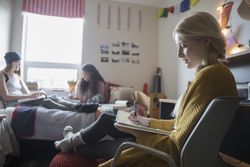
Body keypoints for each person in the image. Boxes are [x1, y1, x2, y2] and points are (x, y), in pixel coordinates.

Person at [54, 11, 238, 166]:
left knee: (124, 139)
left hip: (171, 156)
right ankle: (73, 144)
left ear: (205, 41)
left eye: (184, 45)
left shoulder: (211, 76)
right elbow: (179, 127)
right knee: (112, 121)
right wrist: (146, 122)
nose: (179, 53)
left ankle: (73, 144)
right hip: (172, 150)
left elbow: (178, 145)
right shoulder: (214, 73)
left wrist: (138, 131)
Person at [0, 52, 105, 111]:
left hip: (22, 100)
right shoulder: (2, 75)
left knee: (53, 97)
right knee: (47, 101)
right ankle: (75, 108)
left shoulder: (17, 77)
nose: (19, 64)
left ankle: (77, 106)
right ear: (13, 62)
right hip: (13, 104)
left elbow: (28, 94)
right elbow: (5, 97)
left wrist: (35, 94)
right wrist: (29, 96)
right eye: (18, 62)